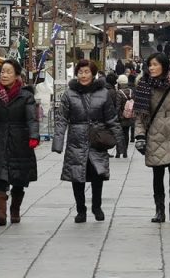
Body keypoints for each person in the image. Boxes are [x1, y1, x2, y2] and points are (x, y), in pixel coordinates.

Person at [52, 60, 122, 222]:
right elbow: (62, 119)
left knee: (98, 174)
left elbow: (111, 118)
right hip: (76, 139)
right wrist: (58, 141)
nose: (83, 75)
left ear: (93, 73)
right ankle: (80, 210)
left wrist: (120, 141)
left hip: (97, 139)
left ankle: (96, 206)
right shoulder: (69, 94)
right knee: (77, 176)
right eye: (80, 72)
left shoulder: (103, 93)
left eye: (87, 72)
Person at [134, 52, 170, 223]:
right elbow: (140, 115)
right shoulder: (143, 85)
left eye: (155, 64)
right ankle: (159, 209)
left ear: (164, 65)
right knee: (157, 173)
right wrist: (139, 136)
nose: (151, 68)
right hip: (154, 132)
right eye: (149, 64)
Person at [0, 58, 39, 226]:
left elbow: (32, 118)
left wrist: (33, 136)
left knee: (18, 179)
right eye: (3, 72)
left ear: (17, 75)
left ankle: (15, 209)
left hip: (19, 141)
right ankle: (1, 212)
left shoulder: (25, 95)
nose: (4, 75)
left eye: (9, 72)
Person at [114, 74, 134, 158]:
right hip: (129, 116)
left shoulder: (119, 92)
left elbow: (118, 107)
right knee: (126, 134)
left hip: (121, 117)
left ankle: (118, 153)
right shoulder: (131, 91)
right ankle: (125, 152)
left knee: (119, 135)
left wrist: (116, 116)